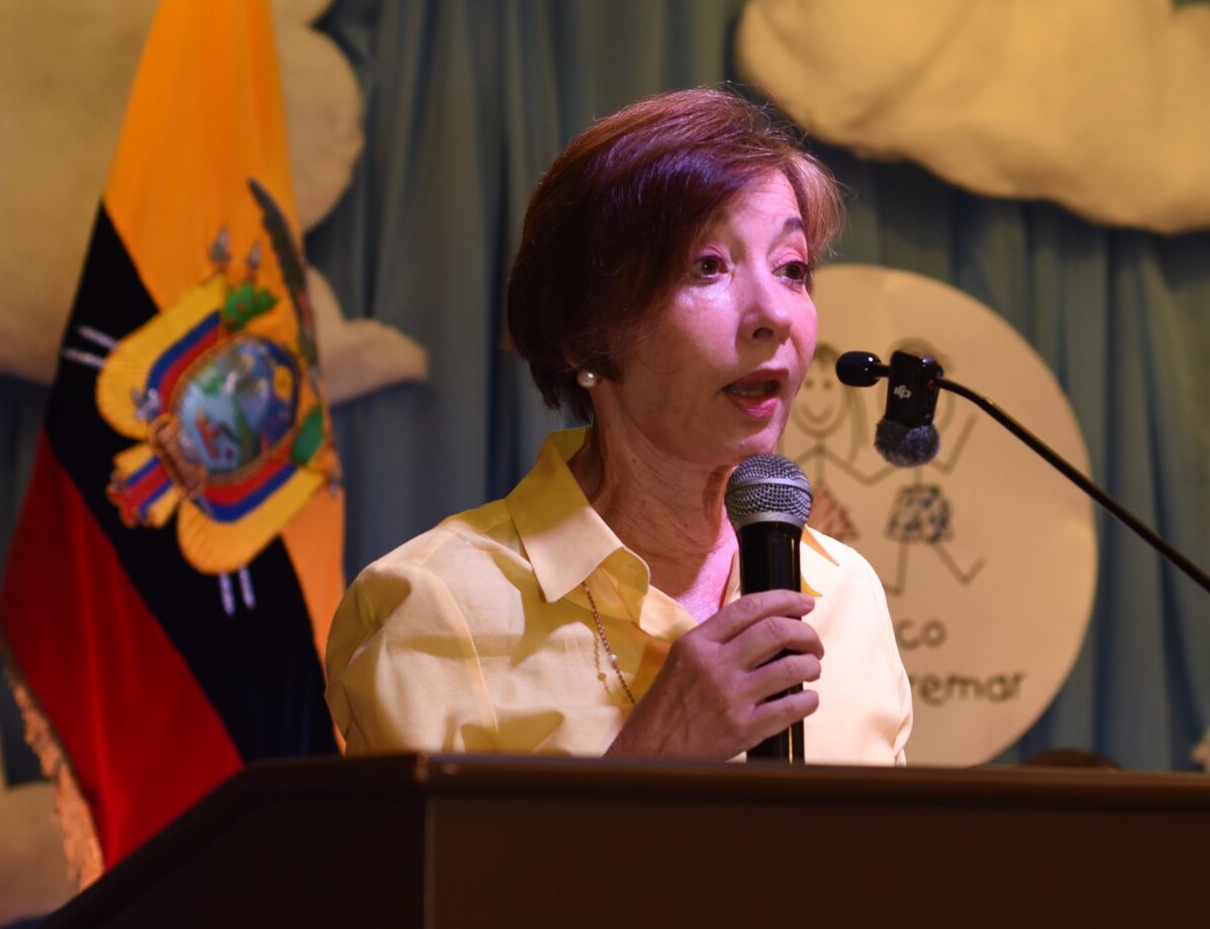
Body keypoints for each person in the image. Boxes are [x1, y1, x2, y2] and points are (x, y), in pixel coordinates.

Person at [326, 88, 911, 764]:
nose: (774, 315)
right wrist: (652, 756)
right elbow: (429, 844)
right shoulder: (436, 604)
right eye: (708, 266)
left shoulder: (846, 593)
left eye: (792, 269)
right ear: (584, 333)